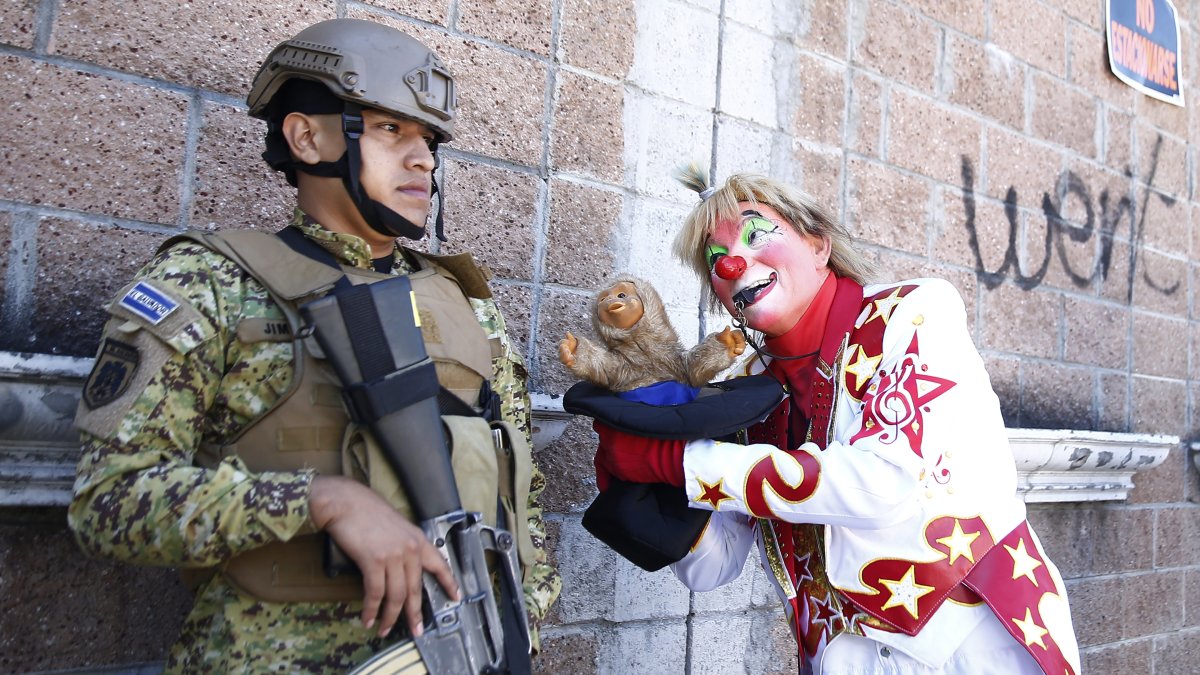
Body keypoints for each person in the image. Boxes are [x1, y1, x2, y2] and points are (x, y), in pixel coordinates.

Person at [68, 18, 559, 672]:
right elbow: (108, 503)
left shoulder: (468, 304)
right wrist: (320, 502)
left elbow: (518, 492)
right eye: (390, 130)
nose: (424, 160)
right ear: (307, 136)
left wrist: (525, 619)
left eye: (429, 140)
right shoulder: (209, 286)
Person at [591, 169, 1080, 674]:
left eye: (757, 235)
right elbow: (714, 564)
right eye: (716, 263)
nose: (735, 264)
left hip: (972, 648)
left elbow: (883, 481)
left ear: (819, 244)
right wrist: (642, 483)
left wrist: (680, 462)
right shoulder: (743, 388)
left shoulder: (913, 314)